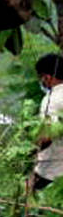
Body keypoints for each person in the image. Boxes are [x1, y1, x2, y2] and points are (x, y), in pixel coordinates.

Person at [32, 53, 63, 189]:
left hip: (51, 170)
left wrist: (31, 151)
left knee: (31, 201)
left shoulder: (52, 100)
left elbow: (47, 136)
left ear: (47, 77)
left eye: (41, 78)